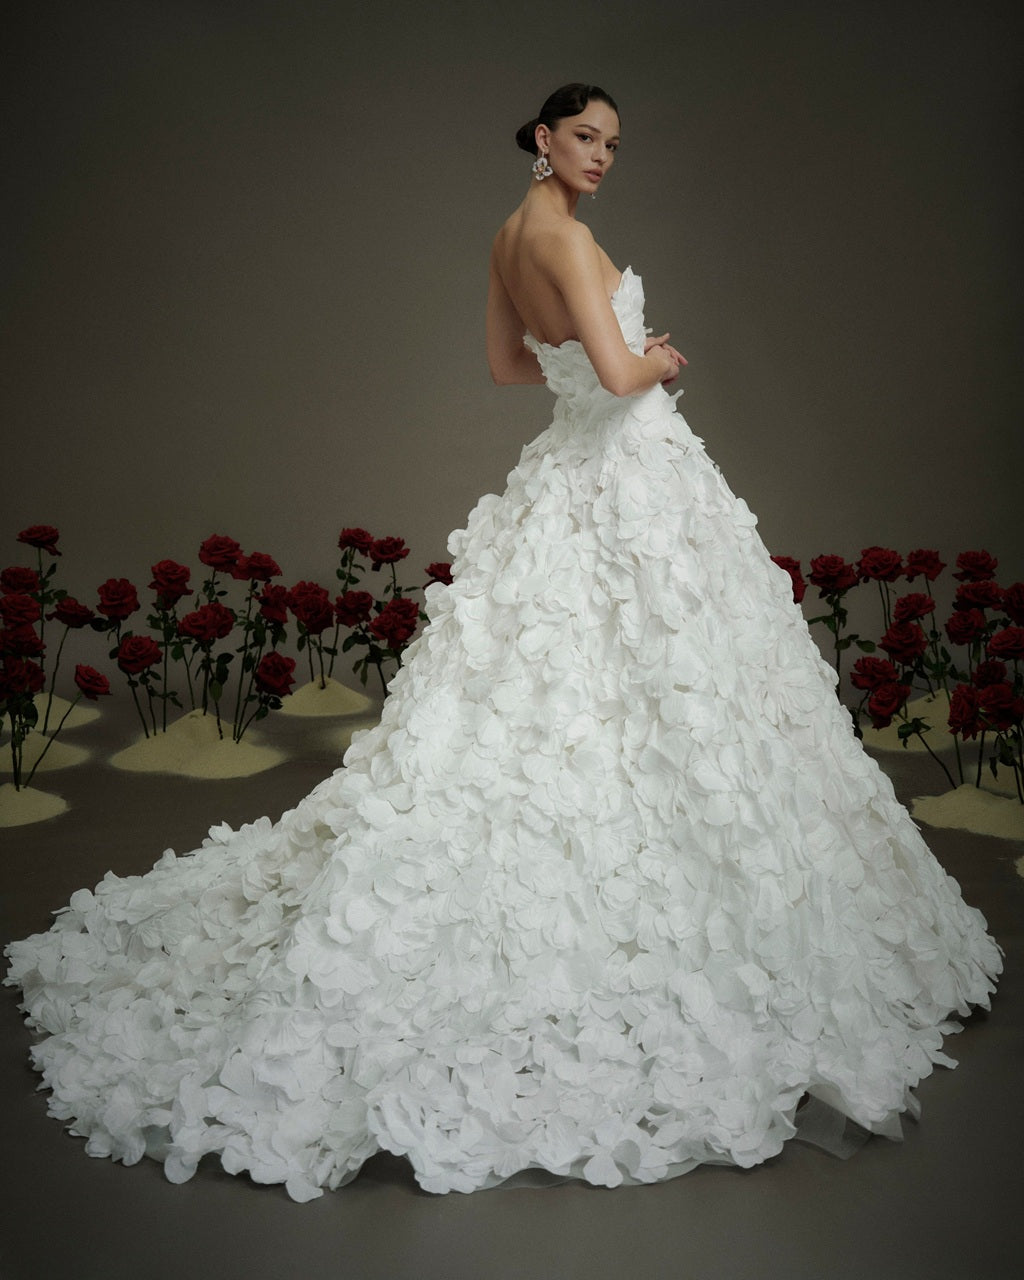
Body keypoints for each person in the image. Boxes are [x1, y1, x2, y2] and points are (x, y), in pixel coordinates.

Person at [5, 84, 1001, 1202]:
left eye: (612, 143)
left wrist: (596, 364)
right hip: (625, 474)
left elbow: (507, 365)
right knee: (664, 682)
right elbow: (615, 379)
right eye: (584, 137)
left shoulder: (507, 236)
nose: (601, 156)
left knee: (574, 685)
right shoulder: (564, 240)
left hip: (569, 474)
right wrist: (656, 358)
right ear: (542, 137)